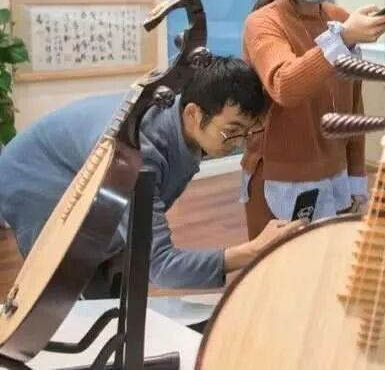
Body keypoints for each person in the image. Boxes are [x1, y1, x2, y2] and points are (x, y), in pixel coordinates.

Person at [0, 56, 302, 296]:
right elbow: (160, 266)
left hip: (72, 158)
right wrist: (252, 250)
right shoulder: (137, 155)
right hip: (33, 176)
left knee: (114, 265)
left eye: (249, 132)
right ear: (193, 114)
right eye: (232, 131)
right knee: (60, 285)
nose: (239, 143)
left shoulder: (175, 117)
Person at [241, 0, 385, 240]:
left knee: (329, 264)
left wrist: (356, 175)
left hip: (336, 174)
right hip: (280, 178)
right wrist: (343, 38)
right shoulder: (263, 22)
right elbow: (285, 85)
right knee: (281, 266)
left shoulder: (339, 18)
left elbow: (353, 108)